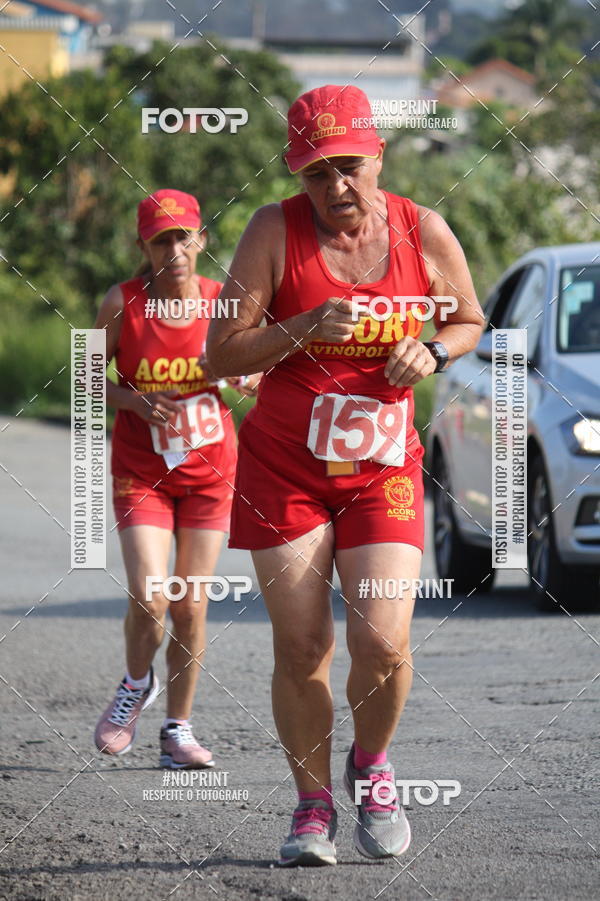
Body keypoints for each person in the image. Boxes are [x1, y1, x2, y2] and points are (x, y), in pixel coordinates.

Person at [207, 86, 484, 863]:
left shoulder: (420, 229)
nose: (335, 188)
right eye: (316, 172)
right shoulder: (272, 231)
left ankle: (371, 764)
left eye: (349, 168)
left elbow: (467, 316)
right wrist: (299, 327)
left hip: (382, 466)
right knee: (301, 646)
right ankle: (312, 805)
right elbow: (220, 354)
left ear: (379, 157)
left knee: (385, 641)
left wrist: (433, 349)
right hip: (284, 466)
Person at [93, 188, 259, 768]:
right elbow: (84, 381)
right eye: (162, 239)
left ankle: (177, 731)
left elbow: (252, 365)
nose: (175, 249)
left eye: (184, 236)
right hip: (143, 472)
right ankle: (135, 685)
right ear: (144, 245)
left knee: (190, 604)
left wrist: (247, 377)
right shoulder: (122, 303)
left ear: (201, 240)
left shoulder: (222, 303)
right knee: (149, 593)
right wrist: (133, 401)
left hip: (211, 472)